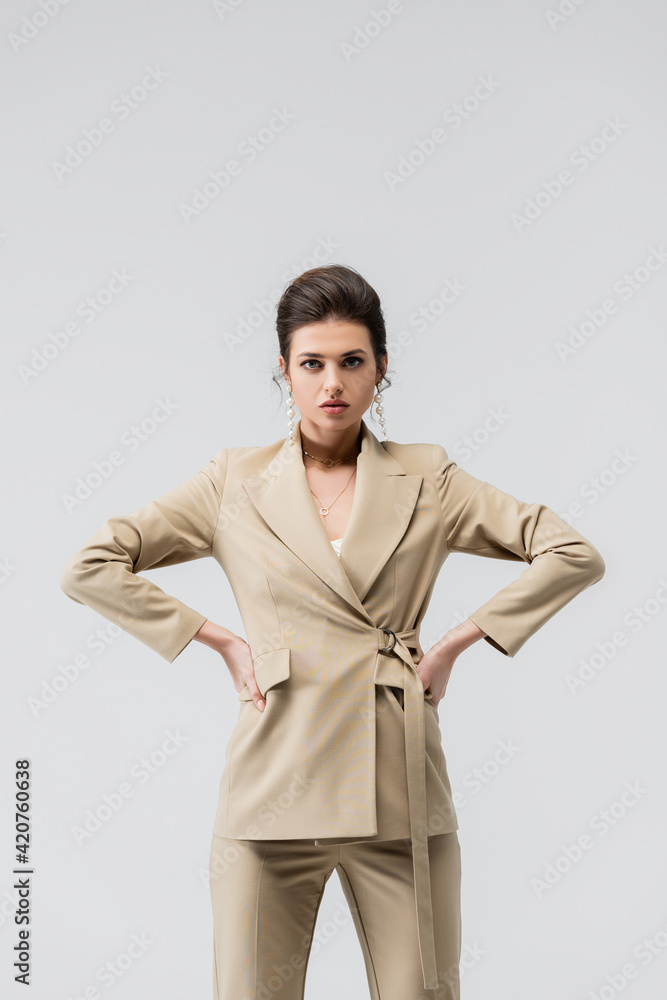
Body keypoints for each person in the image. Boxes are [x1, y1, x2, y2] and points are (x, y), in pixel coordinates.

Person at [60, 264, 606, 1000]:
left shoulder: (428, 478)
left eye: (352, 361)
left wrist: (454, 643)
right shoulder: (233, 481)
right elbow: (92, 564)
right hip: (272, 786)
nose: (332, 384)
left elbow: (570, 553)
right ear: (282, 371)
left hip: (399, 788)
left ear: (381, 368)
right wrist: (216, 638)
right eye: (311, 363)